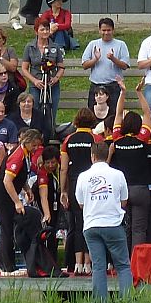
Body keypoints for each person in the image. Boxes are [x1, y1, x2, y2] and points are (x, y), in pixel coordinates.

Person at [76, 139, 133, 301]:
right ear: (108, 154)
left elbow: (80, 203)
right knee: (122, 266)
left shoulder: (83, 176)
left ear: (92, 156)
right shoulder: (118, 174)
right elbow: (124, 201)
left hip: (91, 225)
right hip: (114, 224)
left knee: (99, 267)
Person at [107, 84, 151, 249]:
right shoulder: (142, 139)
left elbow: (119, 113)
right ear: (138, 127)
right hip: (141, 188)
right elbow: (148, 113)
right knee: (139, 229)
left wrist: (123, 92)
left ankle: (123, 263)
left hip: (122, 190)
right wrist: (139, 93)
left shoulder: (116, 139)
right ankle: (138, 263)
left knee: (124, 227)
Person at [0, 129, 42, 276]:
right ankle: (8, 267)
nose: (36, 148)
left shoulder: (25, 154)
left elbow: (20, 174)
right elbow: (7, 181)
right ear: (28, 142)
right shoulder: (18, 155)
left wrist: (26, 189)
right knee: (7, 228)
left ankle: (0, 264)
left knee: (8, 225)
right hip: (1, 193)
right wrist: (17, 202)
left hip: (6, 193)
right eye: (35, 145)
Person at [59, 109, 101, 275]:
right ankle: (89, 263)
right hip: (92, 183)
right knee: (90, 223)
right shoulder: (96, 139)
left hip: (75, 184)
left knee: (76, 224)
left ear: (76, 122)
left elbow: (63, 168)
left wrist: (63, 190)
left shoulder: (68, 140)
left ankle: (77, 264)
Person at [21, 20, 65, 122]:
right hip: (36, 84)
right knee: (35, 109)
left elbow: (61, 67)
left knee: (51, 112)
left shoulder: (55, 47)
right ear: (36, 31)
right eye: (42, 29)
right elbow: (24, 68)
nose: (45, 32)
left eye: (47, 29)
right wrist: (35, 81)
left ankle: (50, 132)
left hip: (52, 85)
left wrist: (56, 78)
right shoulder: (30, 47)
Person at [82, 18, 129, 109]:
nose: (106, 33)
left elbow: (125, 66)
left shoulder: (121, 44)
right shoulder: (93, 44)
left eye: (109, 30)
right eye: (104, 30)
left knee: (114, 115)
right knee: (93, 114)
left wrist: (113, 58)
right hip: (96, 85)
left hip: (114, 85)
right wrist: (95, 59)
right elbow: (84, 65)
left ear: (113, 30)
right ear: (99, 30)